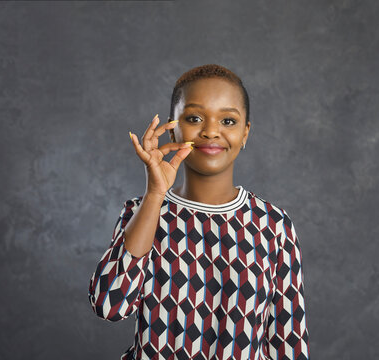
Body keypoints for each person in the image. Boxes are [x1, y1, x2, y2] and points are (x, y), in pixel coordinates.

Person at [88, 64, 310, 360]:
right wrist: (155, 194)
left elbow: (288, 344)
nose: (211, 131)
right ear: (173, 128)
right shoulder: (142, 212)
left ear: (245, 133)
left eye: (228, 121)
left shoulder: (273, 226)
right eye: (194, 118)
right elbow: (109, 306)